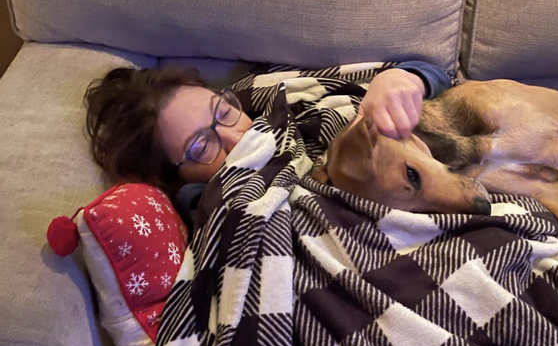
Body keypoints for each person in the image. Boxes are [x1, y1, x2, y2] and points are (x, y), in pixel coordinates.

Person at [85, 62, 453, 203]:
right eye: (201, 146)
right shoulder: (211, 202)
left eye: (224, 112)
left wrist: (400, 80)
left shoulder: (271, 91)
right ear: (176, 178)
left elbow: (439, 78)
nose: (234, 137)